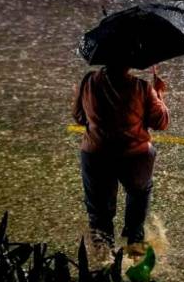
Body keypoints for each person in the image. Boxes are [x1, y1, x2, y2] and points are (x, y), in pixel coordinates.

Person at [72, 65, 169, 259]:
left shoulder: (89, 81)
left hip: (96, 154)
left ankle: (103, 261)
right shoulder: (141, 87)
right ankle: (134, 244)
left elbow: (79, 117)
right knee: (139, 193)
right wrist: (158, 93)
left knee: (99, 213)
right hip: (134, 156)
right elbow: (161, 121)